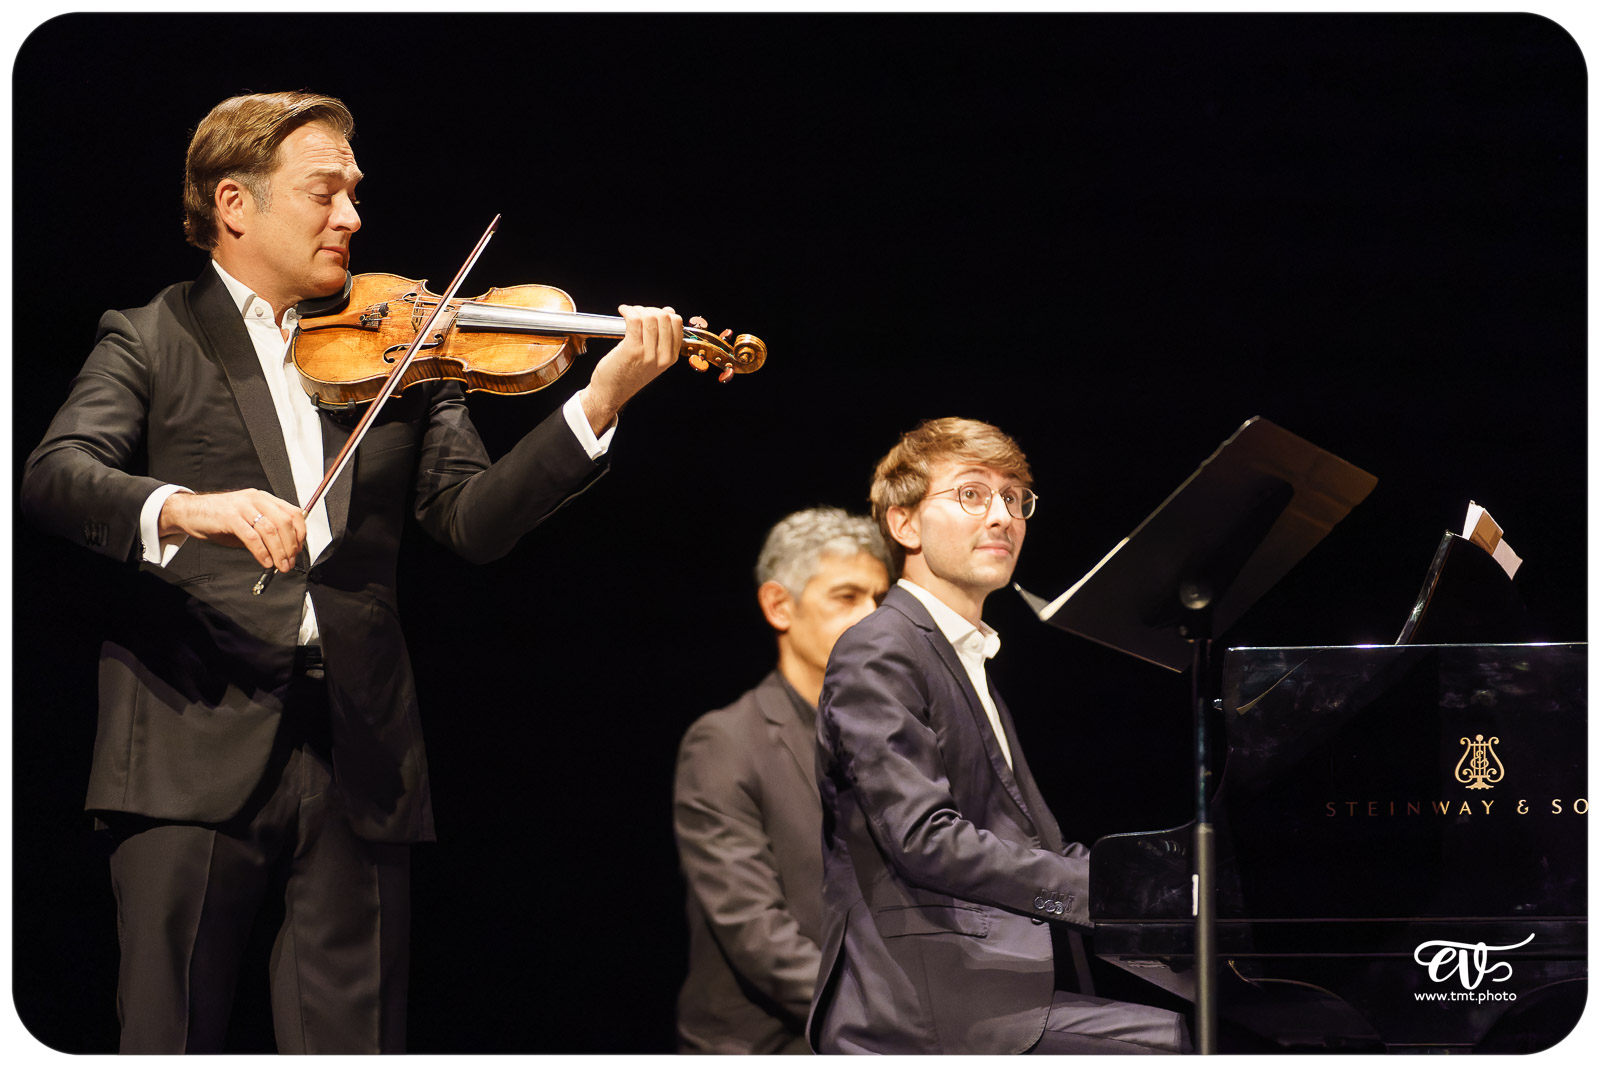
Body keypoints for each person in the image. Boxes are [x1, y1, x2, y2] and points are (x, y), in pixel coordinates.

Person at [19, 90, 685, 1054]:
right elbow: (53, 476)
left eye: (356, 193)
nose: (353, 218)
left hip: (361, 752)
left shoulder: (401, 336)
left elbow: (472, 521)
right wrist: (188, 507)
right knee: (170, 1035)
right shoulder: (151, 333)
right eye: (326, 193)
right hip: (187, 737)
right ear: (235, 203)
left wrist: (597, 402)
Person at [807, 417, 1191, 1054]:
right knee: (1180, 1042)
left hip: (992, 982)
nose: (1002, 516)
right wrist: (1109, 893)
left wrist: (1151, 889)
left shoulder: (963, 658)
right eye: (971, 494)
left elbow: (1032, 841)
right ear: (905, 524)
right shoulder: (880, 648)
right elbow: (924, 839)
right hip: (924, 1004)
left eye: (1015, 499)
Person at [673, 508, 890, 1054]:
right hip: (773, 1044)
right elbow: (754, 929)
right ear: (779, 605)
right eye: (847, 597)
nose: (873, 618)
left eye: (880, 599)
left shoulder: (899, 735)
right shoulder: (726, 740)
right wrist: (887, 1016)